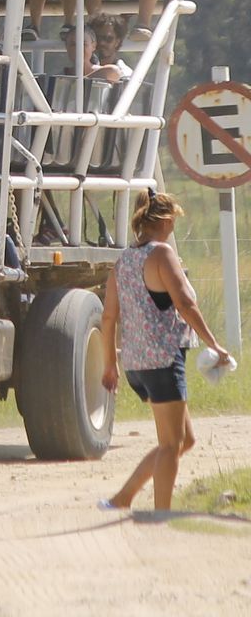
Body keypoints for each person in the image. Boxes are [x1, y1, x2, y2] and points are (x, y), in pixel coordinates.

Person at [100, 189, 231, 512]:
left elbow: (108, 316)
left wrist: (110, 365)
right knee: (171, 444)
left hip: (136, 363)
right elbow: (185, 304)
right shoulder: (162, 254)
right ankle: (162, 515)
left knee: (183, 440)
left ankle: (123, 498)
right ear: (167, 219)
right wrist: (214, 343)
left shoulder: (124, 260)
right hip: (162, 359)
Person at [90, 12, 132, 81]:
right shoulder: (78, 70)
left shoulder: (126, 75)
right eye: (97, 38)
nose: (101, 42)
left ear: (117, 42)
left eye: (108, 38)